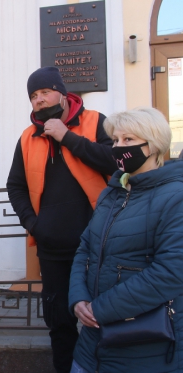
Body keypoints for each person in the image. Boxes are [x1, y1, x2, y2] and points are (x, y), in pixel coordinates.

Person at [6, 66, 117, 373]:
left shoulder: (95, 122)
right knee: (60, 325)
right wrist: (33, 224)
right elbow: (15, 185)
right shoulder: (28, 137)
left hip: (100, 245)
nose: (39, 100)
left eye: (44, 92)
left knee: (104, 319)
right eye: (33, 96)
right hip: (52, 249)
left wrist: (67, 137)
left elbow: (115, 162)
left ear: (62, 92)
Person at [68, 107, 183, 373]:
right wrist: (78, 298)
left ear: (152, 146)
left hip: (145, 349)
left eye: (128, 140)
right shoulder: (112, 193)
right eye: (116, 140)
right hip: (90, 349)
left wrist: (100, 309)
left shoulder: (175, 197)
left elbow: (171, 272)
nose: (118, 147)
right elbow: (85, 248)